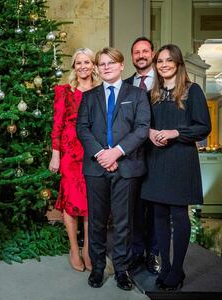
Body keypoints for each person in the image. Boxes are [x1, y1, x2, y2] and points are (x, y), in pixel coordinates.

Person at [77, 47, 150, 291]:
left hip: (126, 166)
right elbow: (83, 129)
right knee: (97, 222)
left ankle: (121, 270)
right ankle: (98, 268)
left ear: (121, 66)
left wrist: (116, 152)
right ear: (98, 68)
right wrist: (101, 154)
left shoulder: (137, 95)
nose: (106, 67)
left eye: (112, 62)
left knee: (123, 223)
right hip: (96, 167)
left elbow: (141, 128)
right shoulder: (89, 97)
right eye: (102, 63)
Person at [141, 44, 211, 290]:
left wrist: (174, 132)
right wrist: (150, 132)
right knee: (158, 214)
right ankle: (167, 266)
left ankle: (178, 269)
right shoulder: (153, 94)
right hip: (157, 159)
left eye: (169, 60)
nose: (164, 64)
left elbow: (203, 127)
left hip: (181, 159)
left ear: (178, 63)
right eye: (160, 61)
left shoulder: (193, 91)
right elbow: (143, 123)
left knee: (178, 215)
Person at [49, 48, 99, 272]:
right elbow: (57, 125)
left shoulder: (100, 90)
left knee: (90, 201)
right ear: (74, 67)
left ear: (93, 65)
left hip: (93, 152)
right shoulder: (64, 91)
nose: (83, 66)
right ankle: (73, 248)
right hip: (69, 153)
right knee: (71, 201)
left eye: (87, 62)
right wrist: (55, 155)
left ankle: (88, 248)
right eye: (78, 63)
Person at [125, 37, 160, 275]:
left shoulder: (165, 82)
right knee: (135, 207)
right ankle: (137, 252)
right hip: (133, 155)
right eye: (136, 52)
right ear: (131, 57)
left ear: (153, 53)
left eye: (144, 51)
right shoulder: (125, 85)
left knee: (157, 207)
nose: (141, 55)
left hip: (159, 154)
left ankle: (155, 254)